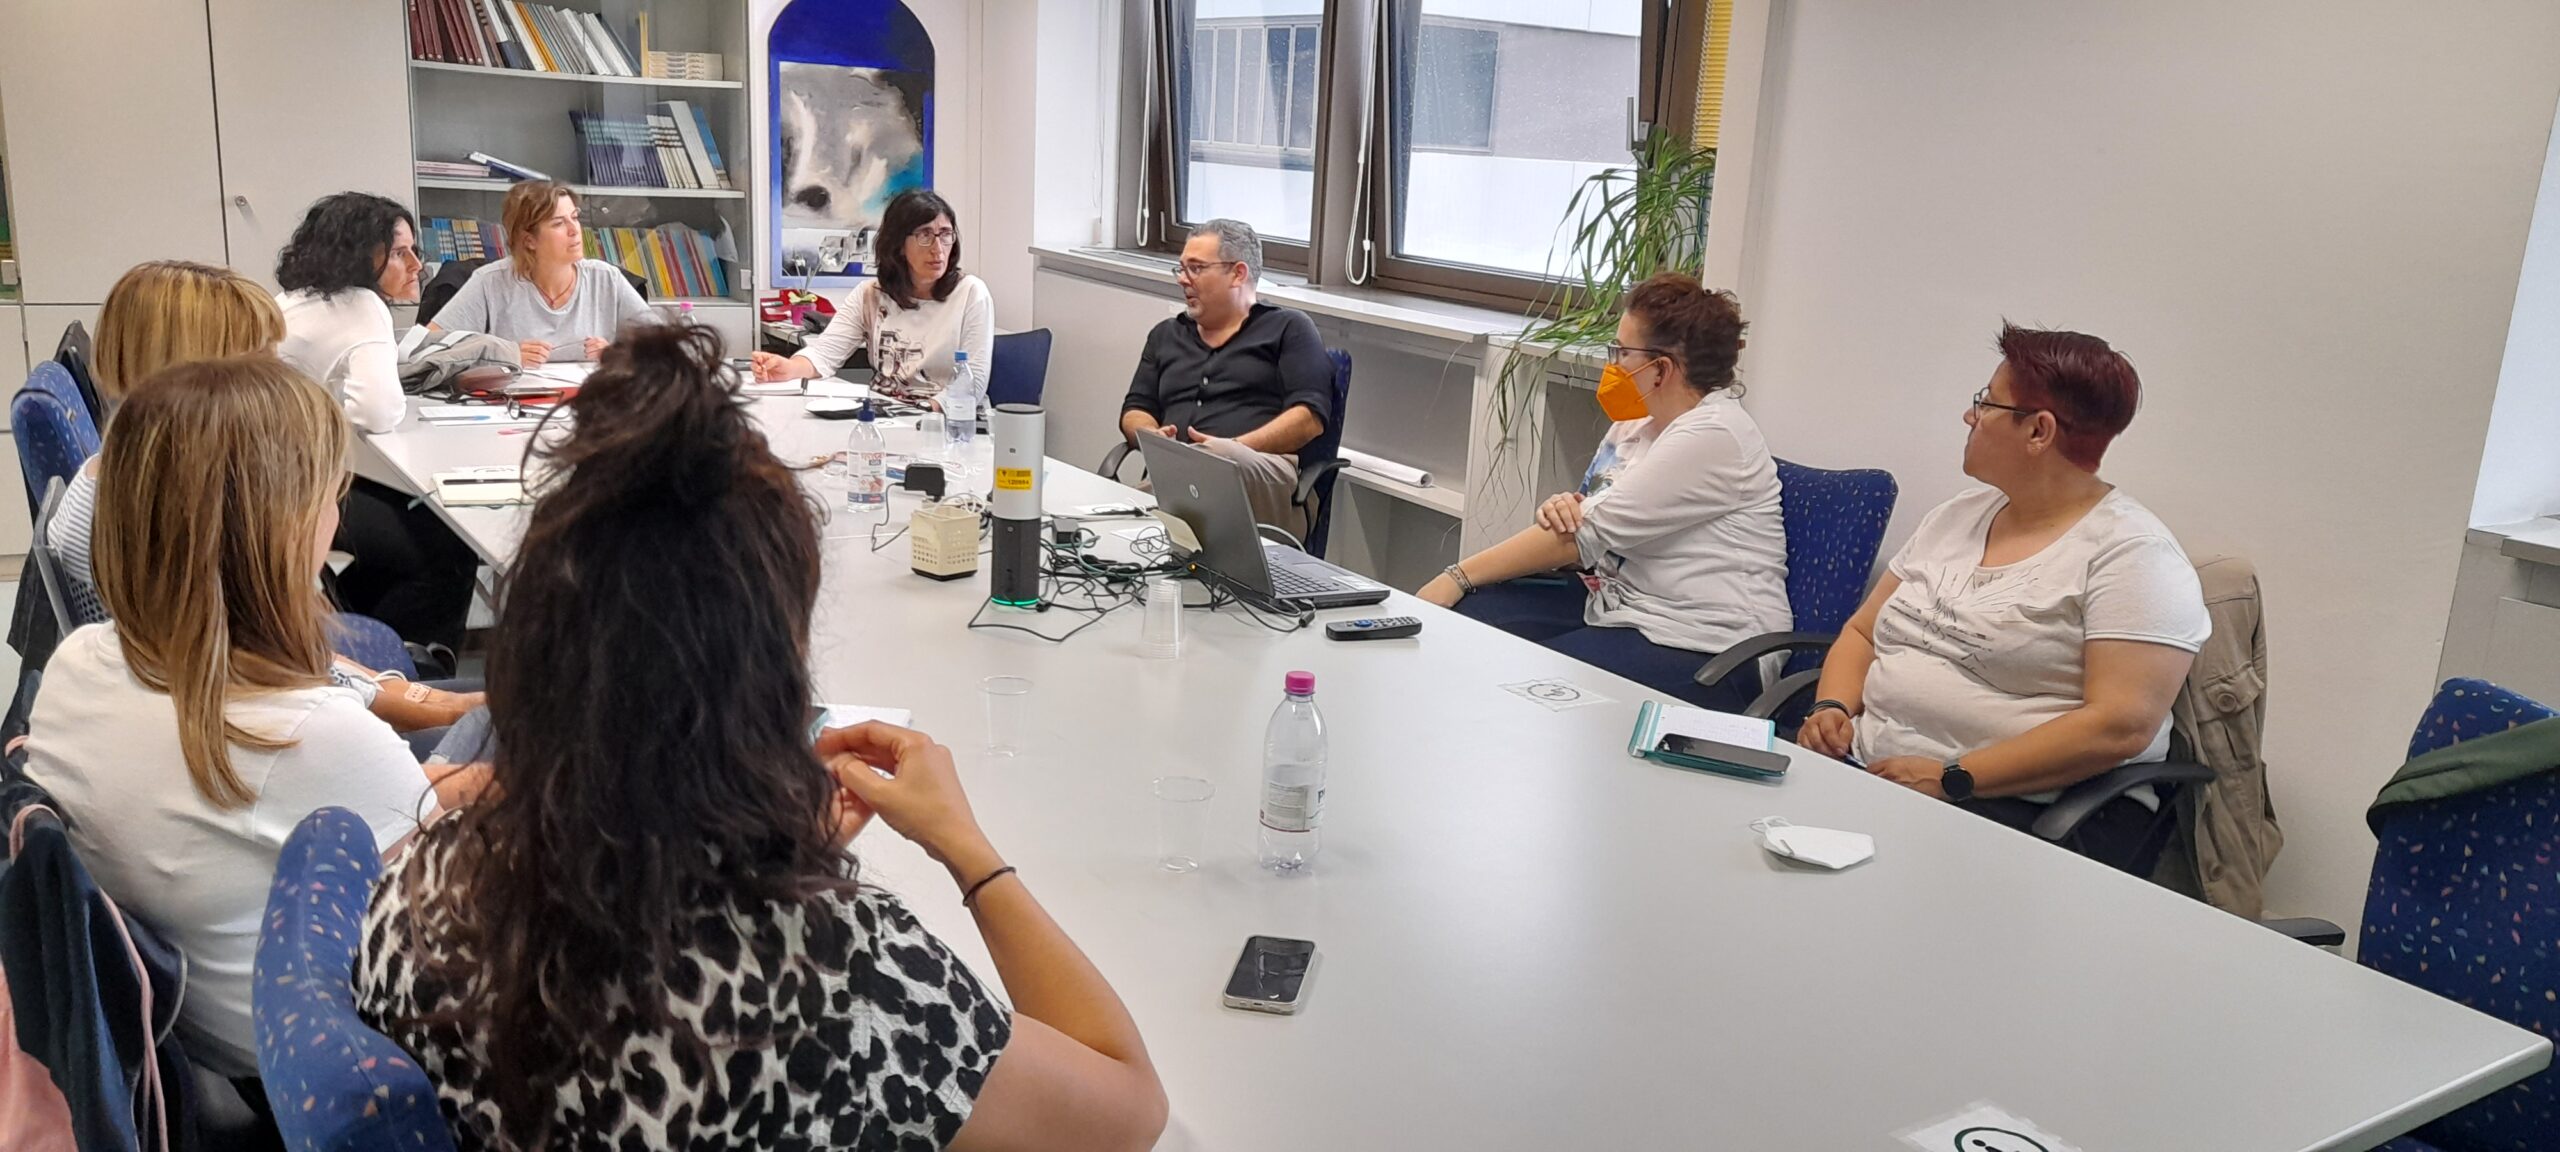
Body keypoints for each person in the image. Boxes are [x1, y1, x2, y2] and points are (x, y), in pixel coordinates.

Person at [356, 322, 1169, 1152]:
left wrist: (755, 846)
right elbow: (1128, 1112)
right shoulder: (826, 975)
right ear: (774, 672)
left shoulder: (420, 888)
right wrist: (966, 849)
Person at [22, 354, 481, 1079]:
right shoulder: (310, 736)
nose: (338, 517)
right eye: (331, 497)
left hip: (200, 1030)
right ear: (283, 528)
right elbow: (449, 923)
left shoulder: (77, 663)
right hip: (335, 1061)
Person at [1795, 324, 2209, 871]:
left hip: (2017, 808)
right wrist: (1831, 707)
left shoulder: (2134, 555)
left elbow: (2120, 726)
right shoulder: (1956, 517)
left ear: (2038, 430)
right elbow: (1862, 632)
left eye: (1986, 402)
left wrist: (1953, 777)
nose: (1970, 416)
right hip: (1873, 772)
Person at [49, 260, 480, 735]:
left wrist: (413, 696)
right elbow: (272, 679)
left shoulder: (121, 477)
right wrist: (424, 705)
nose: (278, 374)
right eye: (260, 358)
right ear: (199, 375)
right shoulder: (178, 522)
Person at [1417, 274, 1789, 712]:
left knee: (1532, 687)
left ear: (1662, 369)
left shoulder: (1715, 435)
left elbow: (1582, 537)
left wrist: (1455, 576)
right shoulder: (1636, 422)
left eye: (1622, 352)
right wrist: (1562, 509)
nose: (1612, 363)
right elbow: (1583, 532)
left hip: (1709, 643)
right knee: (1467, 623)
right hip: (1616, 603)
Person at [277, 191, 482, 656]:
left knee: (401, 525)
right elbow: (377, 412)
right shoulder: (361, 306)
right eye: (398, 253)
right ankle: (411, 665)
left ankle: (358, 643)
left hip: (269, 474)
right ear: (359, 257)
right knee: (445, 545)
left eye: (414, 250)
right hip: (287, 490)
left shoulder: (300, 298)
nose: (417, 265)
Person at [1118, 218, 1334, 539]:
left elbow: (1309, 419)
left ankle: (1135, 516)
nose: (1182, 279)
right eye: (1181, 269)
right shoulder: (1166, 335)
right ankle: (1140, 516)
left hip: (1262, 476)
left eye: (1195, 268)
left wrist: (1233, 448)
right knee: (1194, 469)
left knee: (1216, 460)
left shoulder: (1289, 328)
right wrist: (1152, 435)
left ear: (1238, 274)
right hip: (1177, 472)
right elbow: (1135, 409)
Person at [753, 188, 994, 401]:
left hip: (943, 420)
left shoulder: (971, 293)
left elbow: (972, 383)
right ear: (899, 245)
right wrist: (788, 368)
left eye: (945, 234)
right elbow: (824, 354)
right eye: (925, 235)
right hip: (883, 416)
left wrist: (922, 413)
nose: (938, 249)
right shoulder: (870, 294)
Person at [429, 179, 651, 364]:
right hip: (511, 401)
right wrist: (502, 354)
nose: (574, 230)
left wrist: (619, 354)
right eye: (558, 223)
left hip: (591, 398)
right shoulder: (490, 281)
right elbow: (429, 347)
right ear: (529, 240)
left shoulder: (606, 278)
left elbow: (663, 346)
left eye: (574, 218)